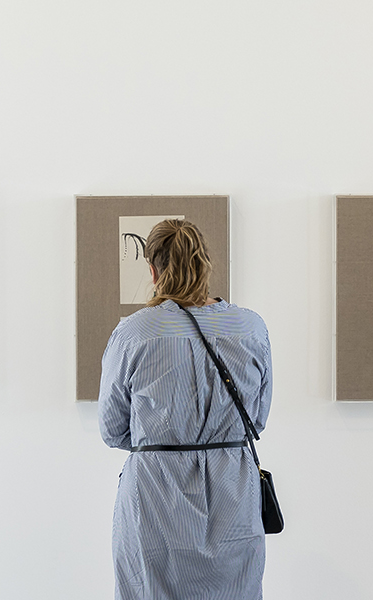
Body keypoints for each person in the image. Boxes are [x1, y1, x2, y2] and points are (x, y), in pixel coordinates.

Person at [99, 219, 273, 600]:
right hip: (233, 493)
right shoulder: (249, 327)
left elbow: (112, 429)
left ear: (153, 271)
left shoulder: (135, 332)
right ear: (204, 264)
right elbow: (256, 420)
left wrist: (164, 438)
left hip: (156, 496)